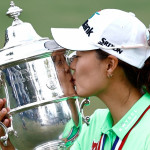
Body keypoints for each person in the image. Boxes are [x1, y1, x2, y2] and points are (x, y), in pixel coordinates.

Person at [1, 8, 150, 150]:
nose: (71, 65)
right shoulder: (96, 124)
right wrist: (11, 146)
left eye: (78, 56)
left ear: (110, 65)